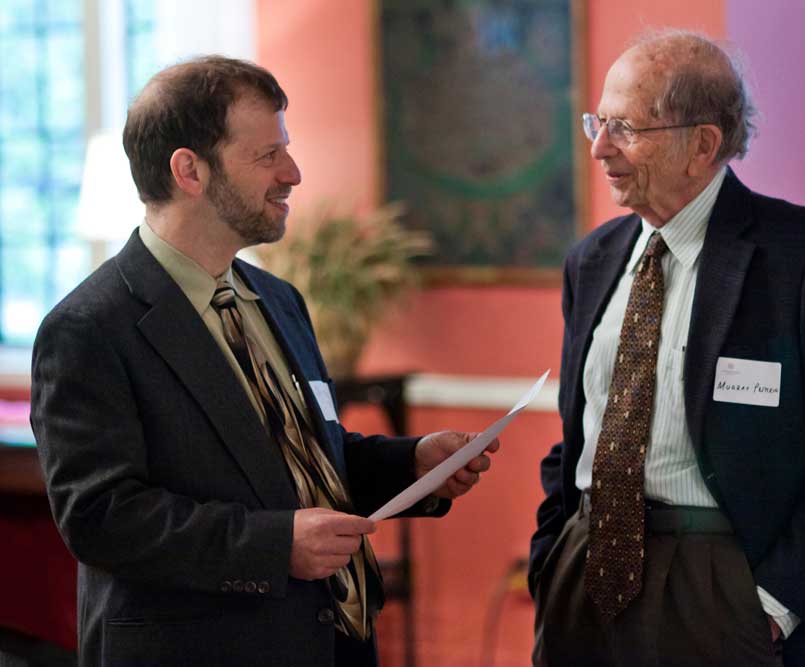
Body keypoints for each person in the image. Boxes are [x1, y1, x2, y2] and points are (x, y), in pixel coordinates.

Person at [30, 55, 498, 667]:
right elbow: (100, 517)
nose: (292, 173)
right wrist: (273, 547)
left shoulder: (277, 300)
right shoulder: (87, 327)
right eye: (267, 155)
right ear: (189, 171)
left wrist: (412, 464)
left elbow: (299, 460)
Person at [530, 30, 805, 667]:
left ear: (702, 145)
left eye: (625, 128)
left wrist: (772, 607)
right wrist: (550, 558)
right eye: (598, 121)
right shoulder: (591, 260)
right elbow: (578, 434)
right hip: (585, 581)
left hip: (724, 587)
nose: (599, 147)